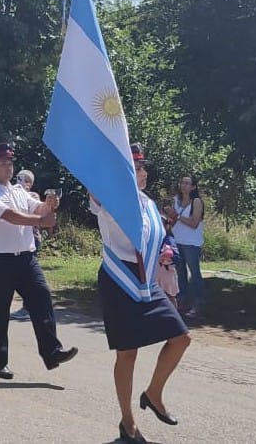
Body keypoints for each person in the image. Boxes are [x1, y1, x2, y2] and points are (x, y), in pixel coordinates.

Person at [91, 143, 190, 444]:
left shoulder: (147, 202)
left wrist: (165, 251)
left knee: (181, 337)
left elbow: (156, 237)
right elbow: (95, 191)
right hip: (119, 278)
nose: (143, 173)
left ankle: (153, 393)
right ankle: (128, 422)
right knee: (127, 353)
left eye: (143, 167)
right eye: (136, 169)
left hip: (145, 279)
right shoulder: (108, 197)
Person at [0, 142, 78, 380]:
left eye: (10, 164)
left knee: (42, 299)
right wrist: (41, 222)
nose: (8, 168)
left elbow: (38, 208)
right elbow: (10, 216)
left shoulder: (18, 191)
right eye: (3, 164)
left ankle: (52, 352)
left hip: (26, 258)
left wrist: (49, 204)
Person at [164, 175, 206, 317]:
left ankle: (199, 303)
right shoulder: (177, 200)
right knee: (180, 272)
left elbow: (194, 223)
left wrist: (177, 216)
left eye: (187, 183)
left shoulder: (196, 202)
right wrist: (170, 218)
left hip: (191, 243)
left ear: (193, 187)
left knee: (194, 273)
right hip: (178, 240)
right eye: (182, 182)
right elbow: (174, 221)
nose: (183, 186)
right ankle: (182, 301)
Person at [9, 169, 40, 320]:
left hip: (32, 240)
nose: (19, 182)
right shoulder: (14, 195)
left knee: (26, 277)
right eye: (18, 179)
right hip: (19, 241)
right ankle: (29, 306)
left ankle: (29, 307)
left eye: (23, 180)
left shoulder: (32, 196)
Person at [156, 217, 180, 310]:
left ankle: (175, 316)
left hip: (168, 273)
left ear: (167, 226)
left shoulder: (169, 239)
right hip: (157, 272)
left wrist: (169, 258)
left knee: (170, 296)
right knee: (158, 295)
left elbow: (177, 257)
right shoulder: (155, 240)